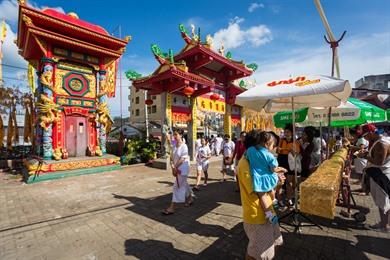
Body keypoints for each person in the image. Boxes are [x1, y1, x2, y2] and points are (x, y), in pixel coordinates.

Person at [237, 130, 284, 259]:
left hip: (266, 212)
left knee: (262, 249)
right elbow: (260, 191)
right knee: (259, 253)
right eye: (264, 146)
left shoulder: (254, 162)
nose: (267, 150)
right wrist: (275, 181)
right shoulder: (245, 164)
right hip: (257, 215)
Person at [246, 131, 287, 225]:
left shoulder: (250, 150)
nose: (273, 147)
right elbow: (273, 169)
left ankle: (269, 214)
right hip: (268, 178)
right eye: (273, 145)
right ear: (267, 144)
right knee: (271, 191)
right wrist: (280, 169)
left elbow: (246, 157)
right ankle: (273, 202)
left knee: (262, 197)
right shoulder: (270, 156)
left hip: (257, 179)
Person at [360, 124, 390, 232]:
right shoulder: (383, 140)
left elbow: (379, 162)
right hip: (381, 174)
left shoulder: (381, 144)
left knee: (383, 202)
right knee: (385, 201)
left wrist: (365, 156)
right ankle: (385, 223)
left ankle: (384, 225)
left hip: (380, 176)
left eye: (366, 136)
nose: (365, 139)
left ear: (371, 133)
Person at [163, 129, 193, 215]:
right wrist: (168, 136)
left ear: (181, 135)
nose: (174, 136)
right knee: (184, 184)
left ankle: (172, 207)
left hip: (182, 169)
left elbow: (182, 159)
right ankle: (190, 198)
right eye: (174, 135)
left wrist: (175, 168)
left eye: (176, 135)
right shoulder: (175, 145)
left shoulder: (184, 146)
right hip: (177, 168)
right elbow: (169, 143)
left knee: (176, 187)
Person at [277, 124, 300, 207]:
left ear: (292, 133)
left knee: (289, 182)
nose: (286, 134)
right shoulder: (281, 140)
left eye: (288, 132)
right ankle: (279, 200)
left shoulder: (295, 141)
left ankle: (289, 198)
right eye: (285, 132)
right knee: (280, 182)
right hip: (281, 161)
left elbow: (296, 153)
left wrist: (288, 150)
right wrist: (285, 150)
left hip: (290, 162)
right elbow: (278, 150)